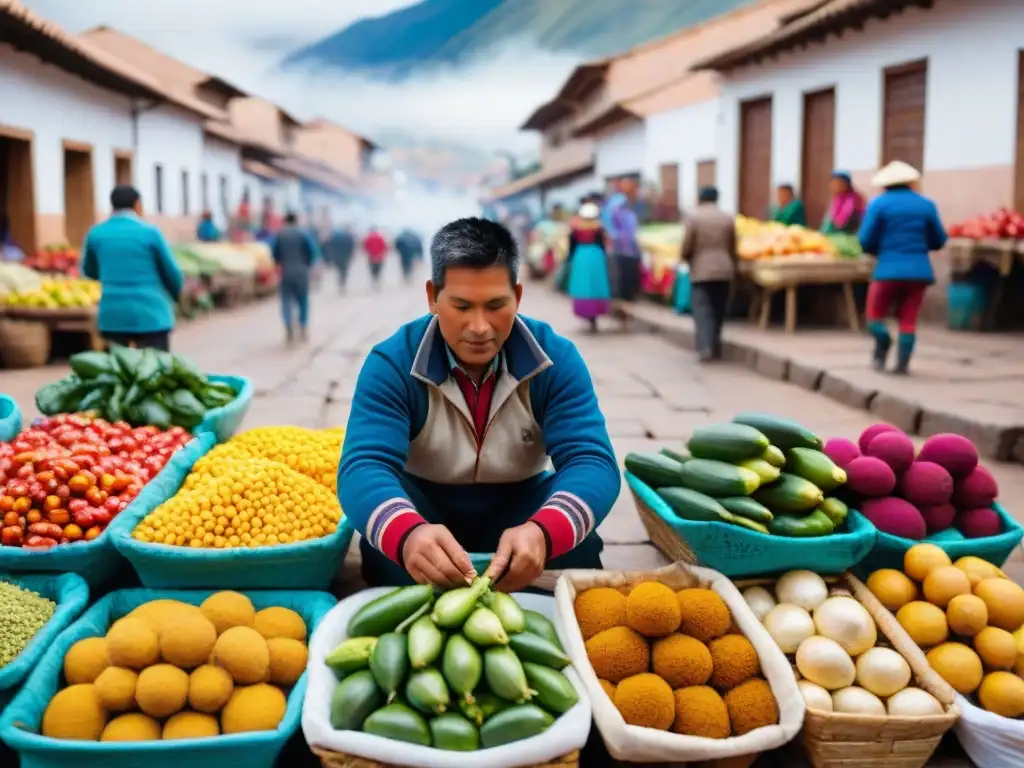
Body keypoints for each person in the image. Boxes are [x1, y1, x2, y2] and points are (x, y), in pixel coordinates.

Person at [338, 217, 619, 591]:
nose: (480, 326)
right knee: (388, 558)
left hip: (521, 503)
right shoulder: (392, 363)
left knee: (578, 547)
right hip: (424, 504)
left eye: (496, 305)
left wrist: (543, 532)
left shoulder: (555, 360)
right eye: (462, 306)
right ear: (432, 297)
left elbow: (592, 462)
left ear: (518, 296)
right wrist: (407, 535)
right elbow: (363, 465)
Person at [859, 161, 947, 375]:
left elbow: (865, 239)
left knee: (874, 315)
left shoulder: (878, 205)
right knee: (908, 319)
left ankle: (884, 342)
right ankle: (902, 365)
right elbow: (939, 239)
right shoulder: (926, 205)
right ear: (910, 182)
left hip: (887, 271)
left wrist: (876, 250)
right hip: (920, 272)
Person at [82, 186, 183, 352]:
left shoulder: (96, 234)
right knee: (156, 371)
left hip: (112, 315)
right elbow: (172, 273)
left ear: (112, 206)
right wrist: (175, 296)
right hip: (151, 313)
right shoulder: (150, 233)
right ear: (137, 205)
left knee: (117, 371)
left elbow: (89, 271)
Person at [680, 186, 738, 363]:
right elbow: (733, 245)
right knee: (718, 309)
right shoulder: (727, 218)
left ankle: (705, 348)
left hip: (701, 269)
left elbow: (687, 244)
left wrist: (685, 258)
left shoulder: (694, 218)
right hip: (724, 268)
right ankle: (715, 345)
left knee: (702, 309)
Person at [272, 211, 322, 344]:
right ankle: (303, 326)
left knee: (286, 300)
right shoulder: (303, 234)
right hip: (301, 272)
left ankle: (288, 326)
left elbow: (275, 254)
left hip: (286, 272)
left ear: (285, 221)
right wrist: (307, 265)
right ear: (296, 221)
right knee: (303, 300)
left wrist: (280, 263)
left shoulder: (280, 235)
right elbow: (311, 252)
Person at [566, 202, 613, 331]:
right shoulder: (599, 228)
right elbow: (603, 246)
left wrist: (570, 259)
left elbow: (571, 247)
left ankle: (587, 315)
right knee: (595, 286)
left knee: (584, 286)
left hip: (581, 256)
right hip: (596, 257)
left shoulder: (575, 229)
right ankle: (594, 317)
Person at [604, 192, 642, 317]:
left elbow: (634, 233)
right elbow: (611, 231)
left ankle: (626, 300)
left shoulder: (630, 216)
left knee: (627, 277)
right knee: (619, 277)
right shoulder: (612, 216)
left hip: (630, 251)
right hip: (619, 251)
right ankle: (620, 302)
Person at [322, 225, 355, 292]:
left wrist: (327, 258)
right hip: (345, 256)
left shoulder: (333, 237)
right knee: (344, 271)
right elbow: (351, 247)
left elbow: (327, 247)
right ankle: (342, 283)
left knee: (339, 270)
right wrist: (351, 255)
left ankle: (340, 282)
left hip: (336, 257)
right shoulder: (348, 237)